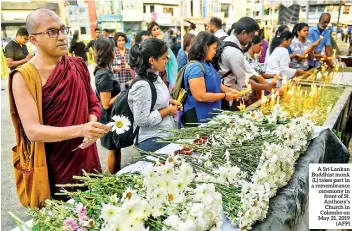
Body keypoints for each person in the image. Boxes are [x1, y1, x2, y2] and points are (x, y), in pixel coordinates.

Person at [10, 8, 110, 197]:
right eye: (52, 32)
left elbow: (93, 102)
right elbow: (33, 131)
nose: (62, 37)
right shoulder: (24, 77)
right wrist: (82, 130)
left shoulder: (77, 64)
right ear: (33, 39)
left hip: (88, 158)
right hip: (57, 167)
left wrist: (91, 123)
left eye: (63, 30)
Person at [128, 38, 179, 152]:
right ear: (151, 60)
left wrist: (170, 104)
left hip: (162, 135)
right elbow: (142, 120)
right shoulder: (142, 85)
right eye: (164, 58)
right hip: (152, 140)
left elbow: (154, 101)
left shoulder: (155, 75)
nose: (167, 60)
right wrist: (167, 111)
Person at [181, 31, 241, 125]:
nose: (215, 51)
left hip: (210, 116)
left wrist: (229, 90)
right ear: (205, 47)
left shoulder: (208, 64)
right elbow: (200, 96)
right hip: (199, 117)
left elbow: (216, 83)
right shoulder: (195, 67)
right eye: (213, 48)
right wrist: (224, 96)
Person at [219, 17, 271, 93]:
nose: (251, 40)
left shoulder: (226, 41)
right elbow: (244, 82)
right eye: (251, 36)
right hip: (228, 94)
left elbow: (250, 71)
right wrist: (266, 87)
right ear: (243, 33)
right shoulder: (234, 52)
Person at [94, 37, 121, 174]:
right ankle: (113, 177)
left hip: (114, 117)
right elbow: (106, 103)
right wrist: (123, 93)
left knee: (116, 148)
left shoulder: (104, 70)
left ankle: (118, 174)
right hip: (108, 118)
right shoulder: (104, 75)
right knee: (112, 149)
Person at [148, 21, 178, 89]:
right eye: (154, 30)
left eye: (157, 28)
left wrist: (167, 58)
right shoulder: (151, 41)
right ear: (151, 32)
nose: (157, 31)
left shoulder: (163, 38)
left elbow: (168, 52)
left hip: (168, 61)